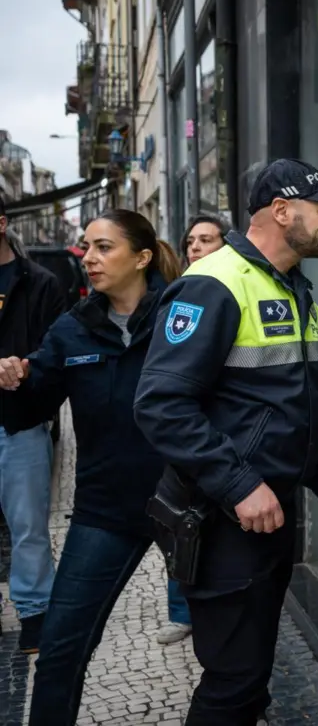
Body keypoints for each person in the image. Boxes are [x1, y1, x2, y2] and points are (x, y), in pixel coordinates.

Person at [133, 159, 318, 725]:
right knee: (233, 682)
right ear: (282, 212)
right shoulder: (213, 284)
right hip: (220, 521)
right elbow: (160, 404)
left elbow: (292, 410)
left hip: (267, 517)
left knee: (252, 675)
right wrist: (239, 484)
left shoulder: (293, 287)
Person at [0, 211, 181, 722]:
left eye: (103, 247)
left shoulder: (185, 315)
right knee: (60, 651)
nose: (88, 258)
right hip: (106, 510)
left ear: (142, 257)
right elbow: (32, 407)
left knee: (226, 644)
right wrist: (12, 381)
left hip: (192, 503)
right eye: (86, 247)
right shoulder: (74, 329)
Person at [155, 214, 230, 647]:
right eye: (191, 241)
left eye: (206, 239)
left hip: (218, 436)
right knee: (180, 527)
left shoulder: (227, 291)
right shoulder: (180, 294)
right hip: (184, 437)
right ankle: (182, 611)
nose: (196, 247)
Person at [0, 198, 65, 654]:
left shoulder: (40, 282)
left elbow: (58, 356)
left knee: (27, 525)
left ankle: (35, 611)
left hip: (19, 424)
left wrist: (26, 370)